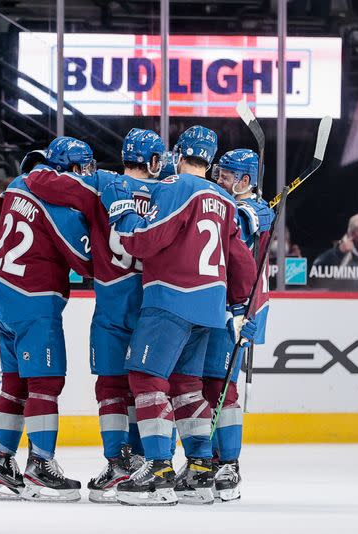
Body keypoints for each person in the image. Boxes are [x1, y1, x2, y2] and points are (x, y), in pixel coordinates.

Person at [101, 126, 259, 506]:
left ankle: (158, 471)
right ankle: (202, 469)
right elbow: (240, 259)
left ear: (179, 152)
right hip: (209, 307)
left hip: (171, 298)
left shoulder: (178, 187)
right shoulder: (223, 198)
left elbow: (150, 237)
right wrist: (241, 307)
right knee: (187, 385)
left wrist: (123, 219)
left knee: (145, 376)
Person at [24, 128, 165, 503]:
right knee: (150, 385)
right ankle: (158, 462)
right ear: (155, 161)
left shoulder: (102, 184)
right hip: (155, 304)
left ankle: (117, 463)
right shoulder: (173, 190)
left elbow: (46, 183)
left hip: (112, 305)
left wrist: (34, 172)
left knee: (111, 387)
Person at [0, 136, 94, 502]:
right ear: (68, 168)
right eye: (82, 169)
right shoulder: (56, 199)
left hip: (3, 300)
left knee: (14, 386)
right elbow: (84, 259)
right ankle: (40, 468)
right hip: (36, 303)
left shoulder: (15, 187)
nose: (86, 176)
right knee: (45, 385)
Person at [203, 149, 275, 502]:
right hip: (213, 308)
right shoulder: (238, 206)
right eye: (219, 174)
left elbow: (243, 220)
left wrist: (259, 210)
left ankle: (228, 464)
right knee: (201, 387)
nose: (219, 181)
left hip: (238, 312)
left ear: (245, 181)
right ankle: (209, 459)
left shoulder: (252, 212)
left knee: (221, 386)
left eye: (227, 176)